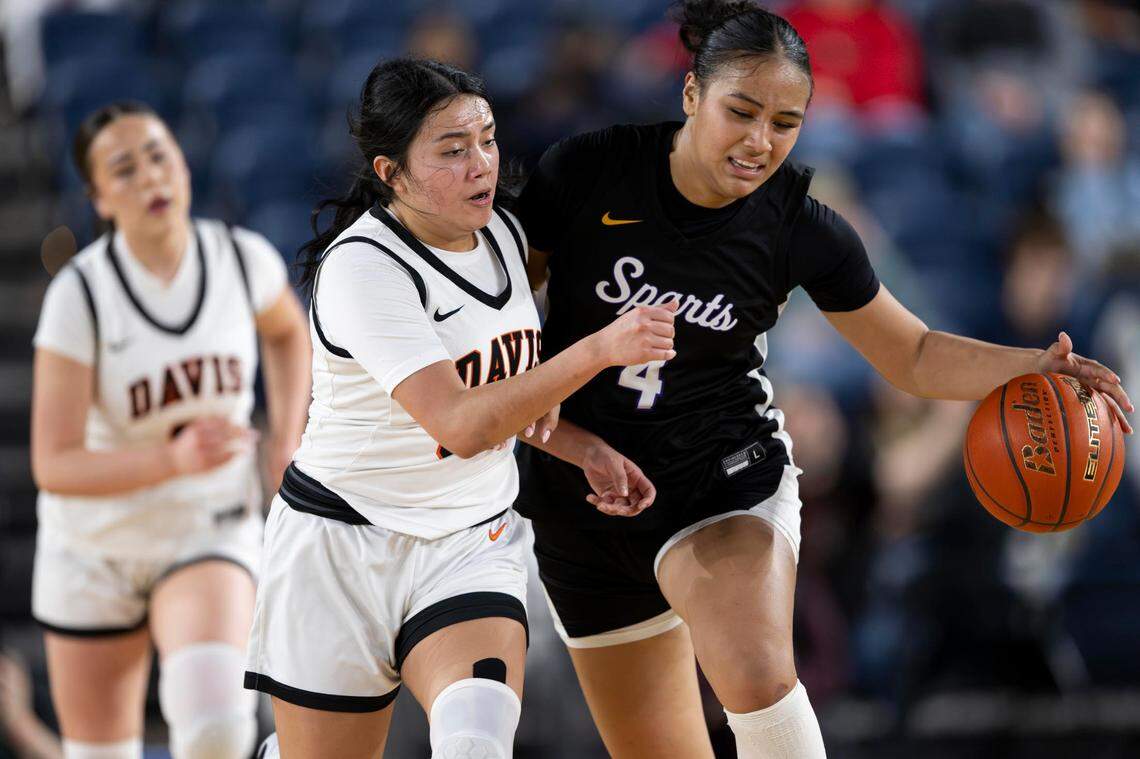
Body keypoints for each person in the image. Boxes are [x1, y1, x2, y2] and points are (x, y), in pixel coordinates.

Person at [512, 2, 1135, 758]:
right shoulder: (586, 172)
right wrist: (566, 437)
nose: (759, 141)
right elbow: (505, 328)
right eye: (741, 111)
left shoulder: (800, 226)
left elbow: (912, 354)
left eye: (785, 122)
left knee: (755, 672)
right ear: (689, 95)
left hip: (722, 469)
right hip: (583, 489)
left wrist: (1030, 362)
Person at [242, 58, 675, 759]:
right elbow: (463, 422)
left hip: (472, 541)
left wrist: (582, 447)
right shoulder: (363, 268)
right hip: (341, 545)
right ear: (392, 173)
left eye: (487, 138)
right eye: (451, 150)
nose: (481, 163)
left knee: (476, 741)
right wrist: (600, 350)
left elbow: (512, 393)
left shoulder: (505, 233)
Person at [29, 101, 311, 759]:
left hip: (204, 521)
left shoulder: (242, 260)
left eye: (159, 155)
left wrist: (285, 435)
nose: (150, 177)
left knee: (216, 727)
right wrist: (171, 458)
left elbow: (289, 332)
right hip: (93, 545)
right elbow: (54, 463)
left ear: (183, 164)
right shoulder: (80, 294)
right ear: (99, 198)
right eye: (124, 169)